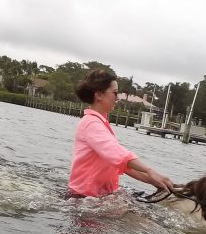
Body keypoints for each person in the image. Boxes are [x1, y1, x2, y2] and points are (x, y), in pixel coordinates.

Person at [68, 69, 175, 197]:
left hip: (101, 196)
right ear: (99, 95)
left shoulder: (100, 124)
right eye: (115, 93)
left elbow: (121, 164)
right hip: (83, 198)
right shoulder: (91, 124)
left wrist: (152, 180)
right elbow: (119, 155)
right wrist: (149, 170)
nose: (117, 98)